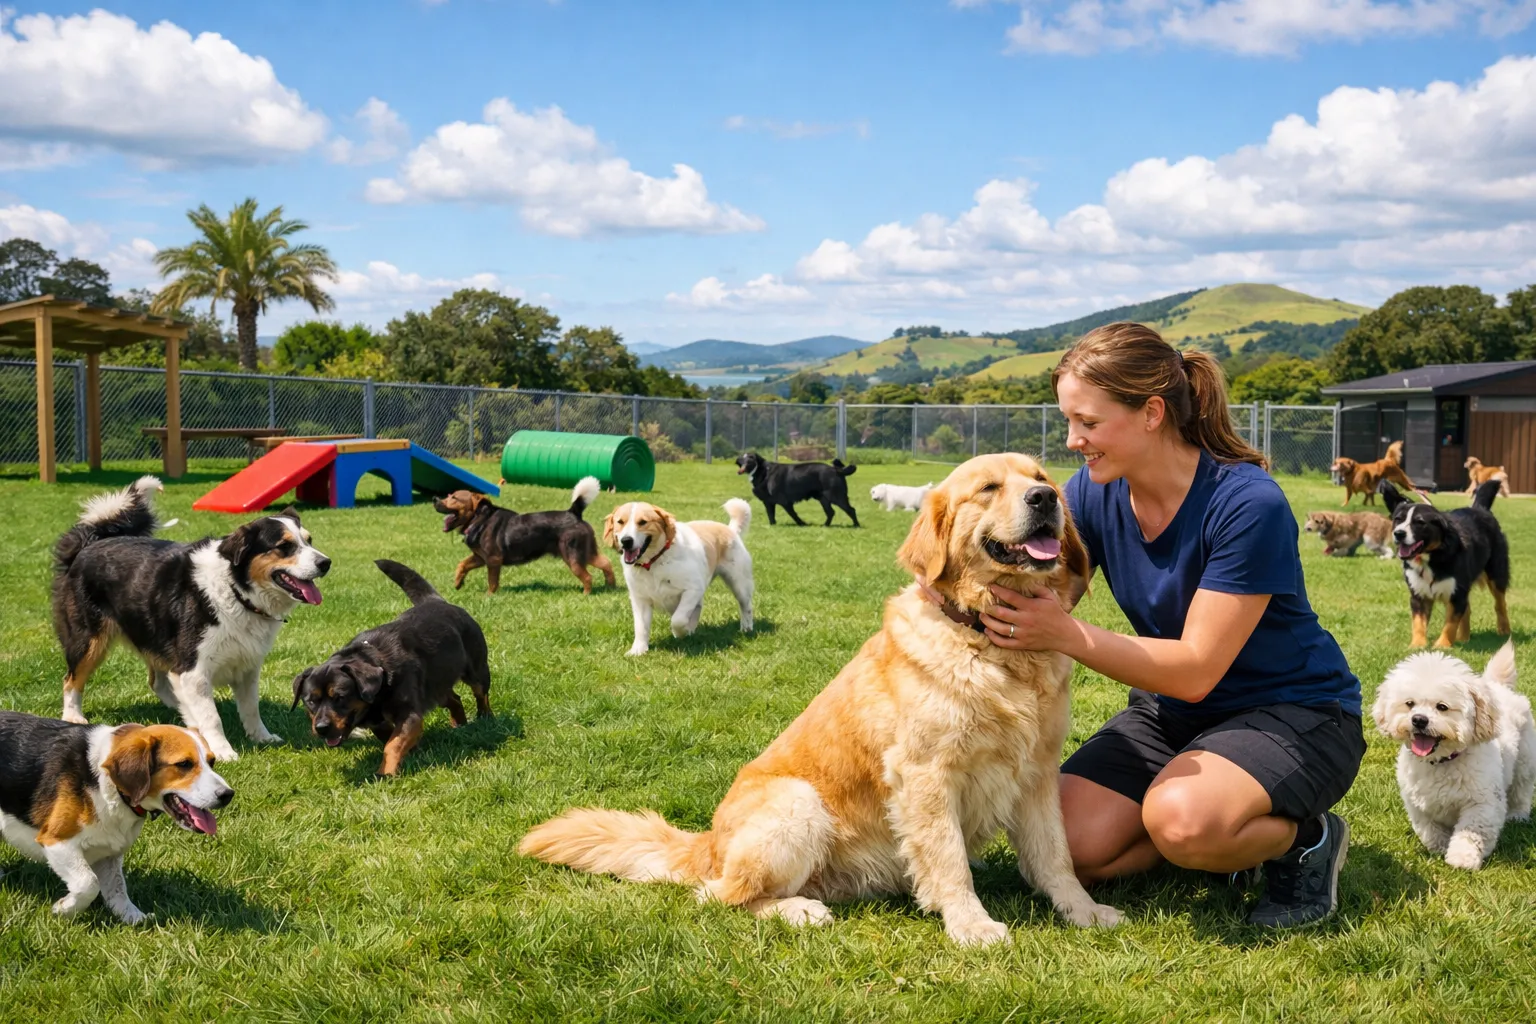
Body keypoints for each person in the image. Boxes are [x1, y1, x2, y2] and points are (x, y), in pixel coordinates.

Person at [936, 322, 1365, 928]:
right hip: (1174, 717)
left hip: (1297, 713)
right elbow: (1053, 593)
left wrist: (1063, 634)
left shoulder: (1248, 504)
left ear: (1151, 413)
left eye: (1088, 422)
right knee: (1071, 845)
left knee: (1183, 821)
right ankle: (1212, 836)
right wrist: (948, 595)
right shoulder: (1090, 493)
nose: (1074, 440)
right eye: (1068, 422)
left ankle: (1304, 840)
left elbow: (1194, 670)